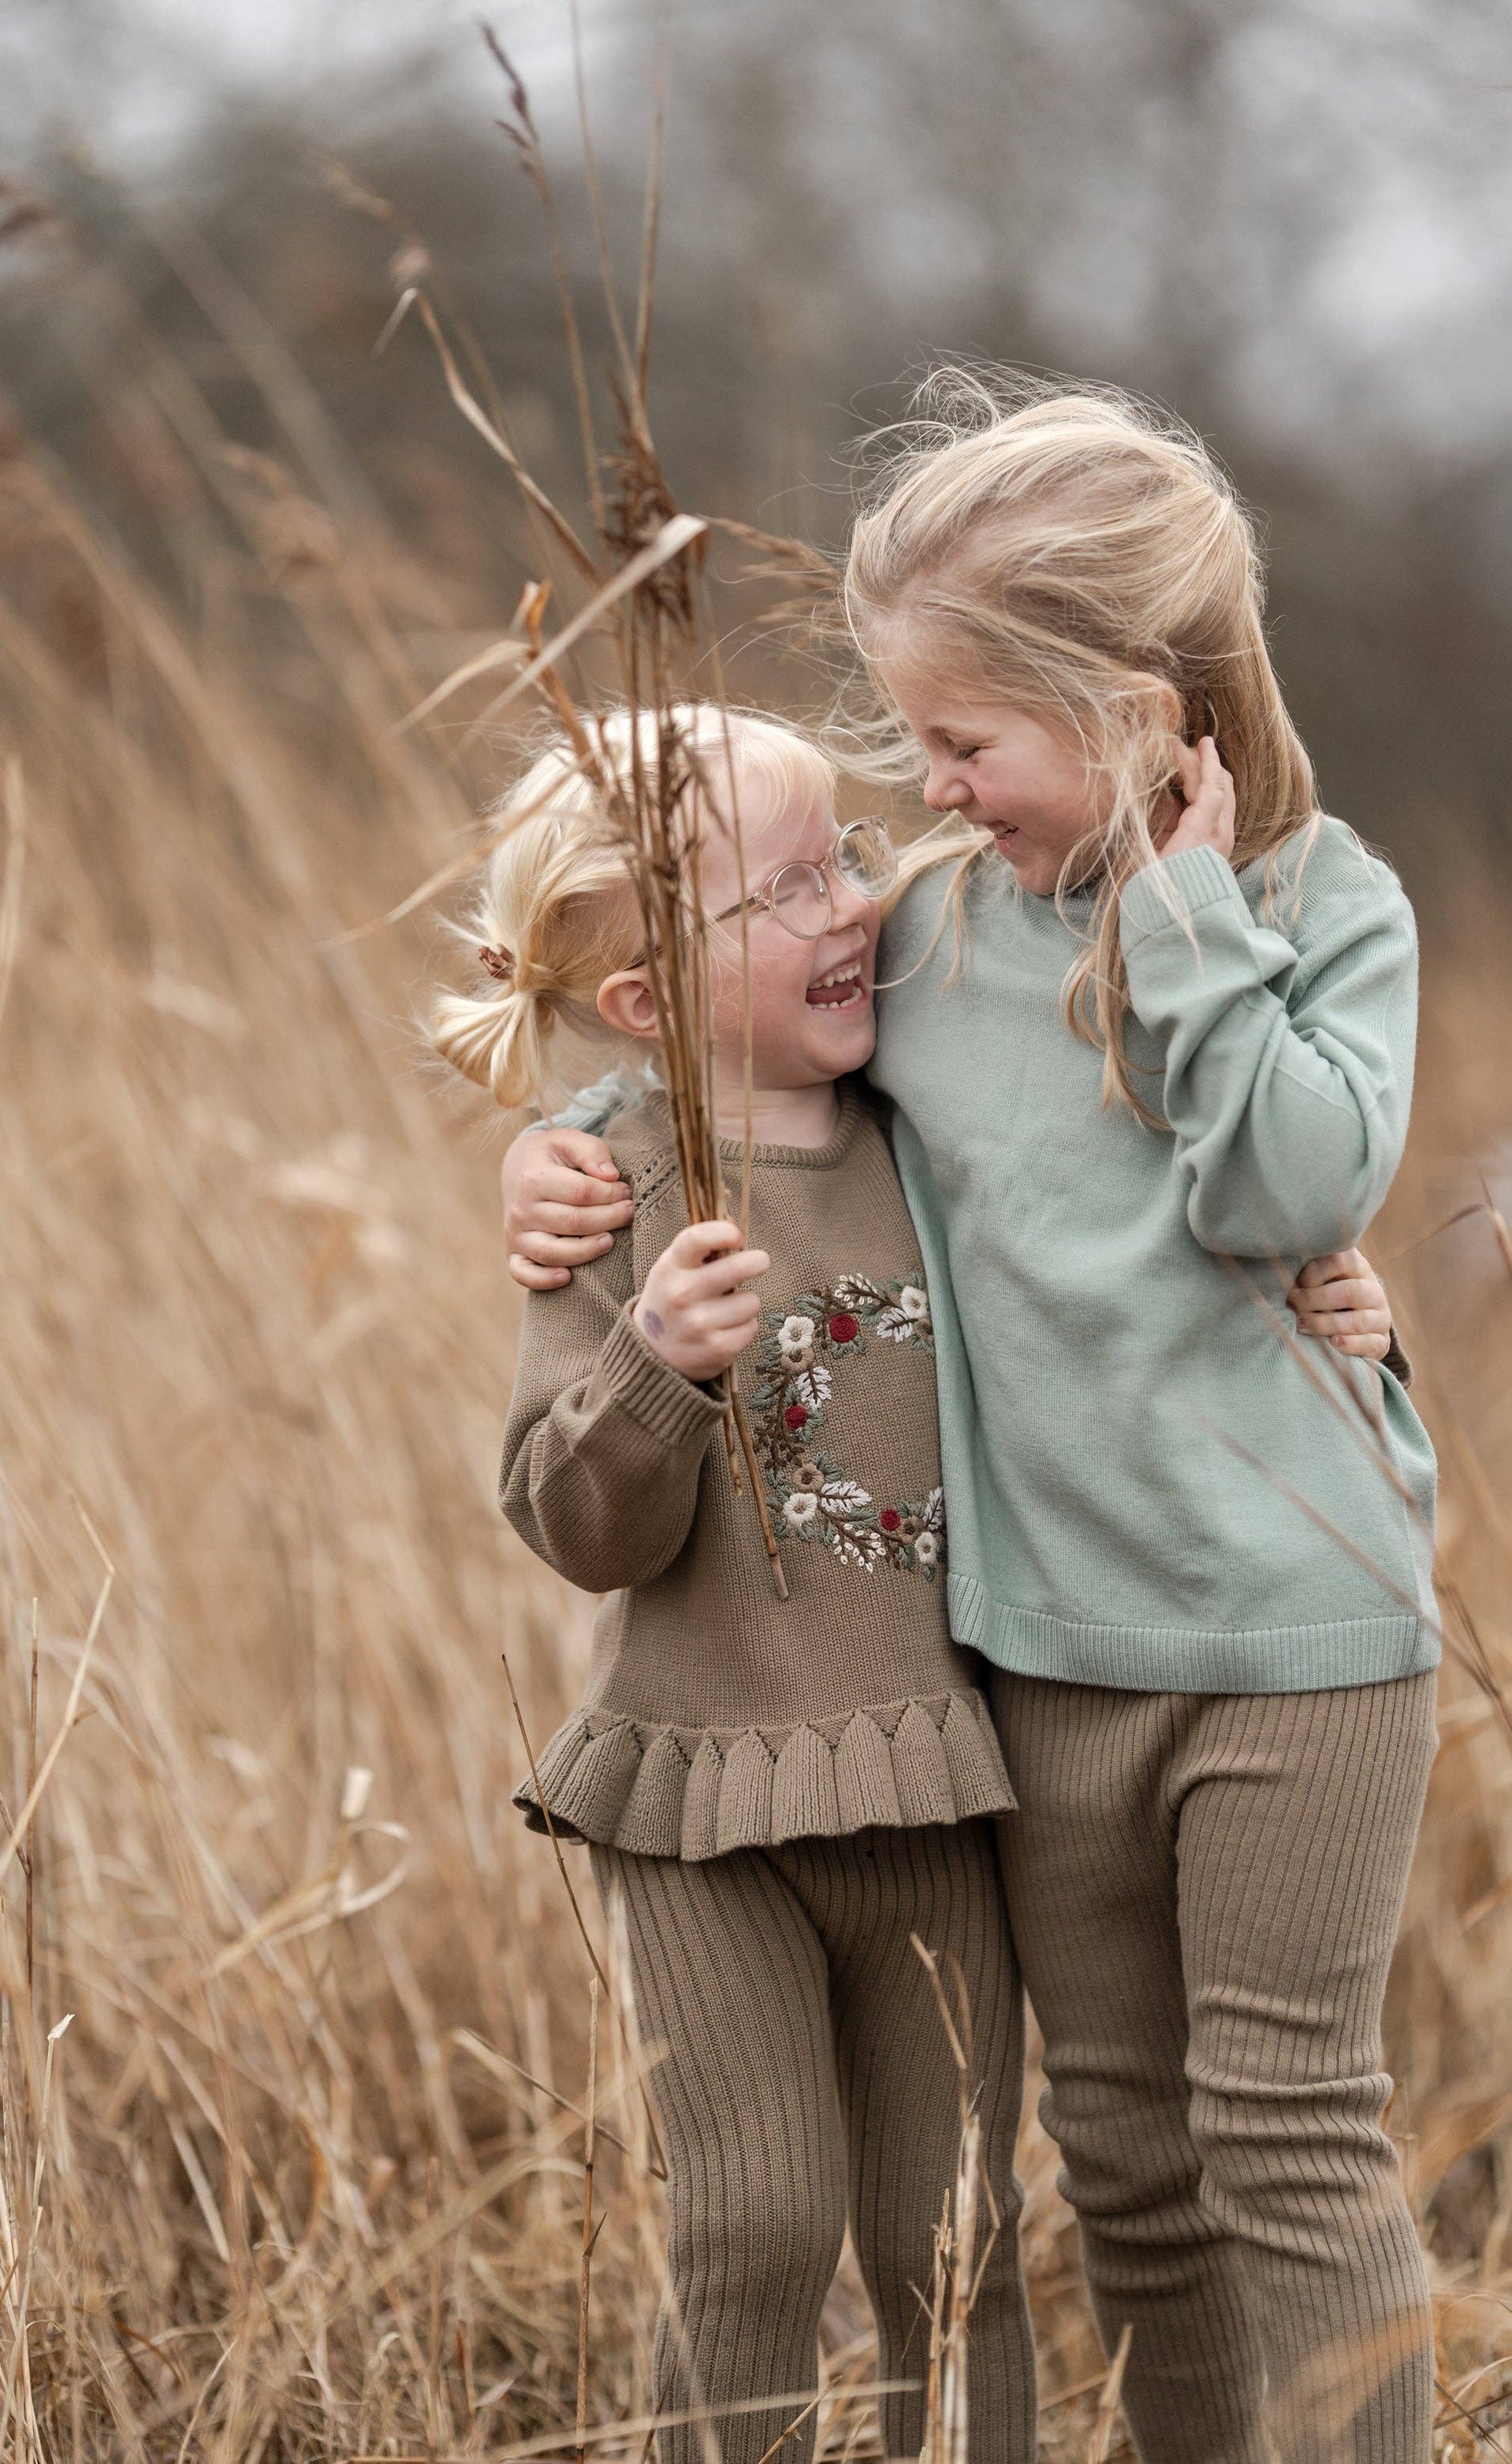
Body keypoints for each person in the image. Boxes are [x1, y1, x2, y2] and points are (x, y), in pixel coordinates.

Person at [499, 374, 1435, 2464]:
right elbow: (729, 1057)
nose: (925, 791)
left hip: (1300, 1633)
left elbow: (1288, 1188)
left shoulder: (1318, 909)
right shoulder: (927, 928)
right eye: (909, 745)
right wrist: (561, 1160)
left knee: (1285, 2124)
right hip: (1046, 1659)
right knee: (1121, 2148)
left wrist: (1180, 930)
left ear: (1128, 704)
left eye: (959, 743)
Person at [433, 706, 1036, 2464]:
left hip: (936, 1779)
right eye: (790, 887)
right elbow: (575, 1527)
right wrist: (652, 1365)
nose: (854, 901)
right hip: (701, 1792)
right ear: (642, 1006)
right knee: (751, 2231)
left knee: (964, 2241)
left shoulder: (937, 1124)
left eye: (847, 853)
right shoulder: (611, 1192)